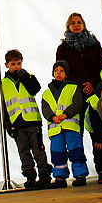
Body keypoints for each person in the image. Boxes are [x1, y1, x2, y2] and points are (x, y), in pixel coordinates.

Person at [1, 49, 51, 189]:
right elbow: (4, 106)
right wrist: (8, 125)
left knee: (38, 150)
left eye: (18, 63)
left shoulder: (28, 77)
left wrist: (23, 76)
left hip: (32, 121)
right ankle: (30, 177)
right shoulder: (3, 83)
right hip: (17, 123)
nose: (16, 67)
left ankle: (44, 175)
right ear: (7, 65)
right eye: (13, 64)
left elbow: (35, 89)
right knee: (24, 152)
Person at [41, 60, 89, 188]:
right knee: (57, 152)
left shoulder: (73, 88)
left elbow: (77, 104)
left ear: (66, 74)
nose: (58, 73)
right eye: (56, 71)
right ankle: (60, 177)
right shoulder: (46, 92)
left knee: (76, 150)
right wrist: (52, 117)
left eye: (61, 71)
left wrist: (66, 114)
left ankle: (80, 175)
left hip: (70, 127)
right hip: (55, 128)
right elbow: (45, 109)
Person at [55, 13, 102, 101]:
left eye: (79, 22)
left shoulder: (95, 44)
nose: (76, 25)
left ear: (83, 25)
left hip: (96, 89)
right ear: (68, 27)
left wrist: (92, 84)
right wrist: (81, 85)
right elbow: (62, 70)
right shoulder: (63, 48)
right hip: (74, 91)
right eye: (73, 23)